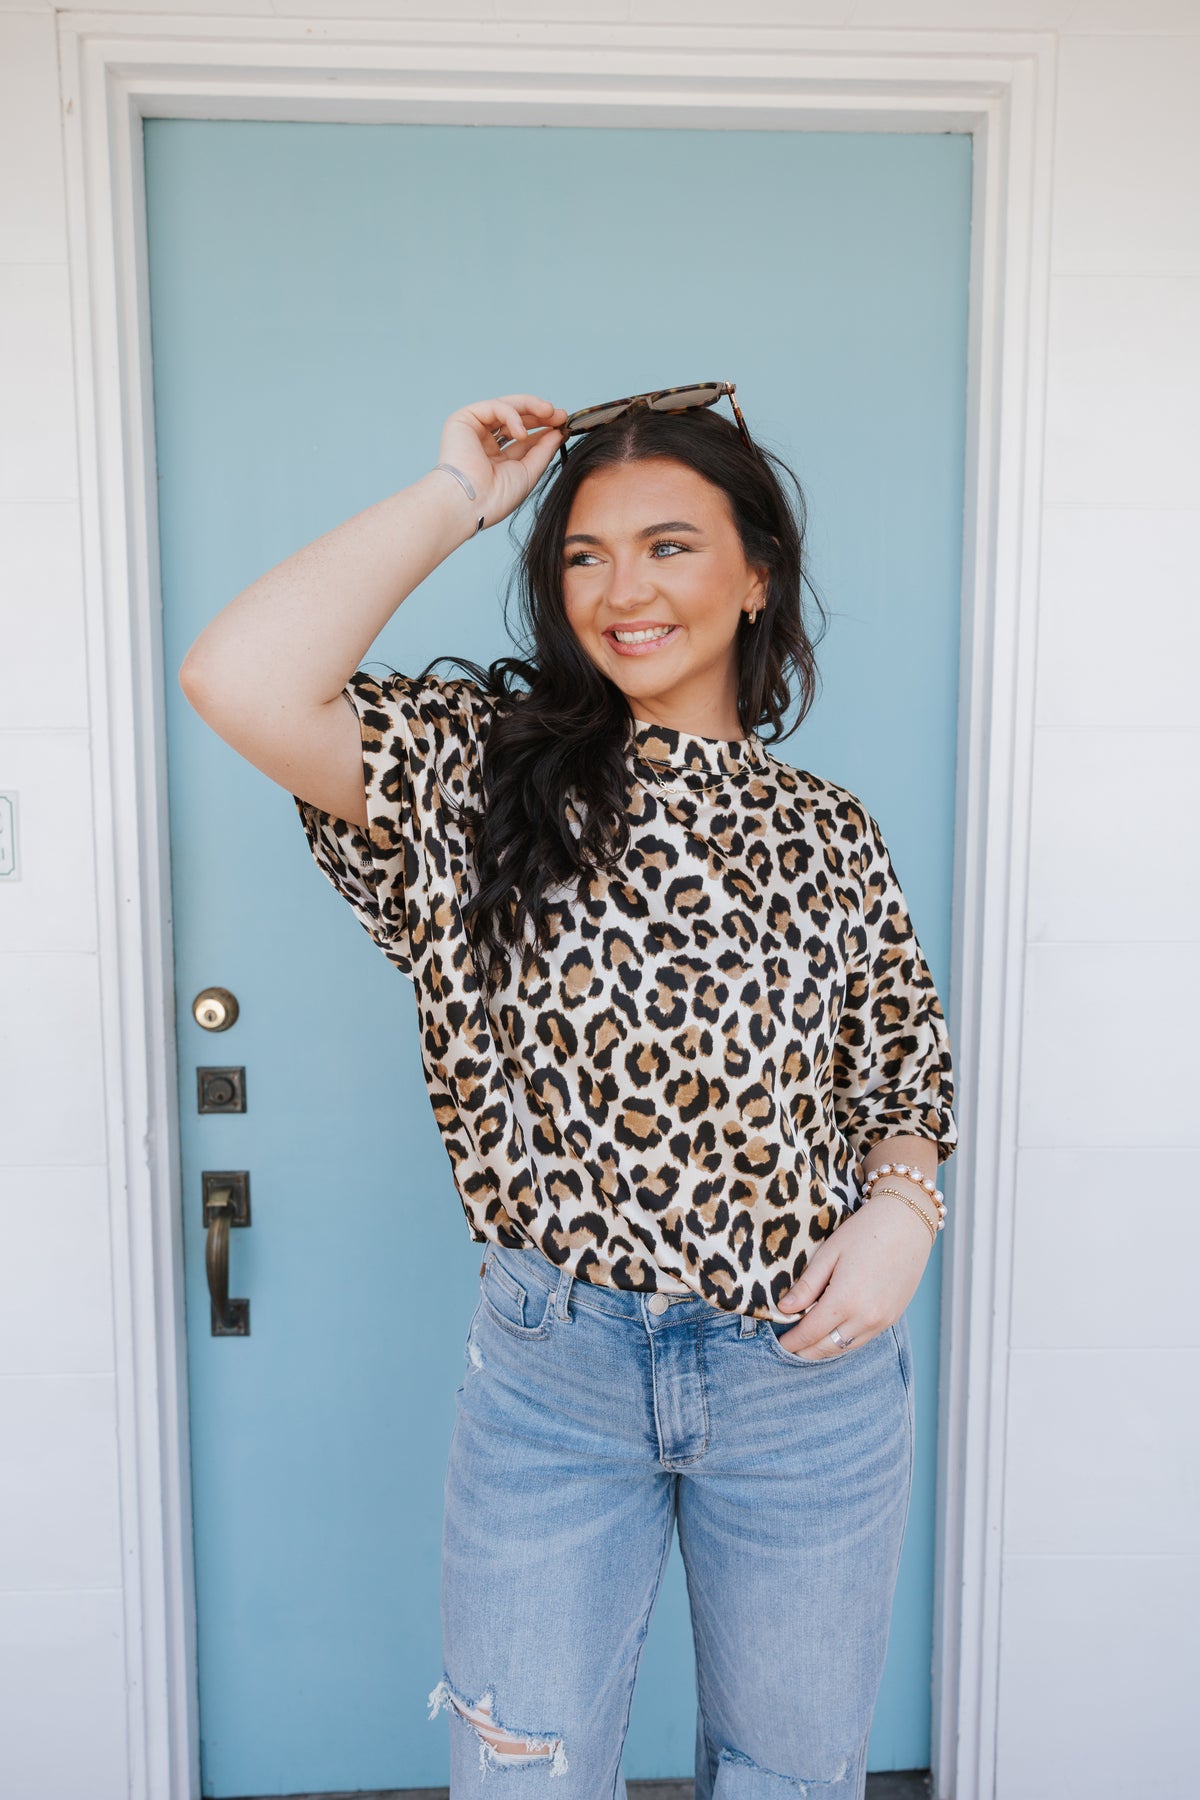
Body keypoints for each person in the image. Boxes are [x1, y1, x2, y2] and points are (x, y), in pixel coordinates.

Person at [179, 386, 957, 1800]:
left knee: (791, 1777)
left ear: (757, 575)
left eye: (668, 546)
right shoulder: (479, 778)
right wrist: (458, 497)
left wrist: (903, 1210)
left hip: (806, 1378)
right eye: (584, 556)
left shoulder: (831, 831)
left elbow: (902, 1058)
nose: (621, 590)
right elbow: (239, 678)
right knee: (522, 1776)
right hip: (558, 1373)